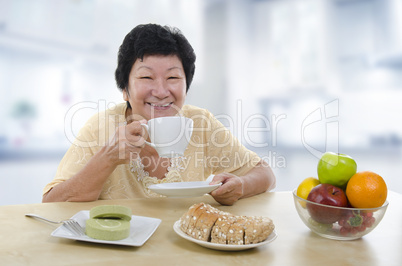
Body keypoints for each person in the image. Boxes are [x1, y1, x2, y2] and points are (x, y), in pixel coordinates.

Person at [42, 23, 276, 206]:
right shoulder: (101, 127)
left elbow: (265, 174)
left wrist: (240, 185)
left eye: (173, 78)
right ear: (125, 89)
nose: (162, 92)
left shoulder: (200, 123)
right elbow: (50, 203)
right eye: (146, 78)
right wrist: (107, 157)